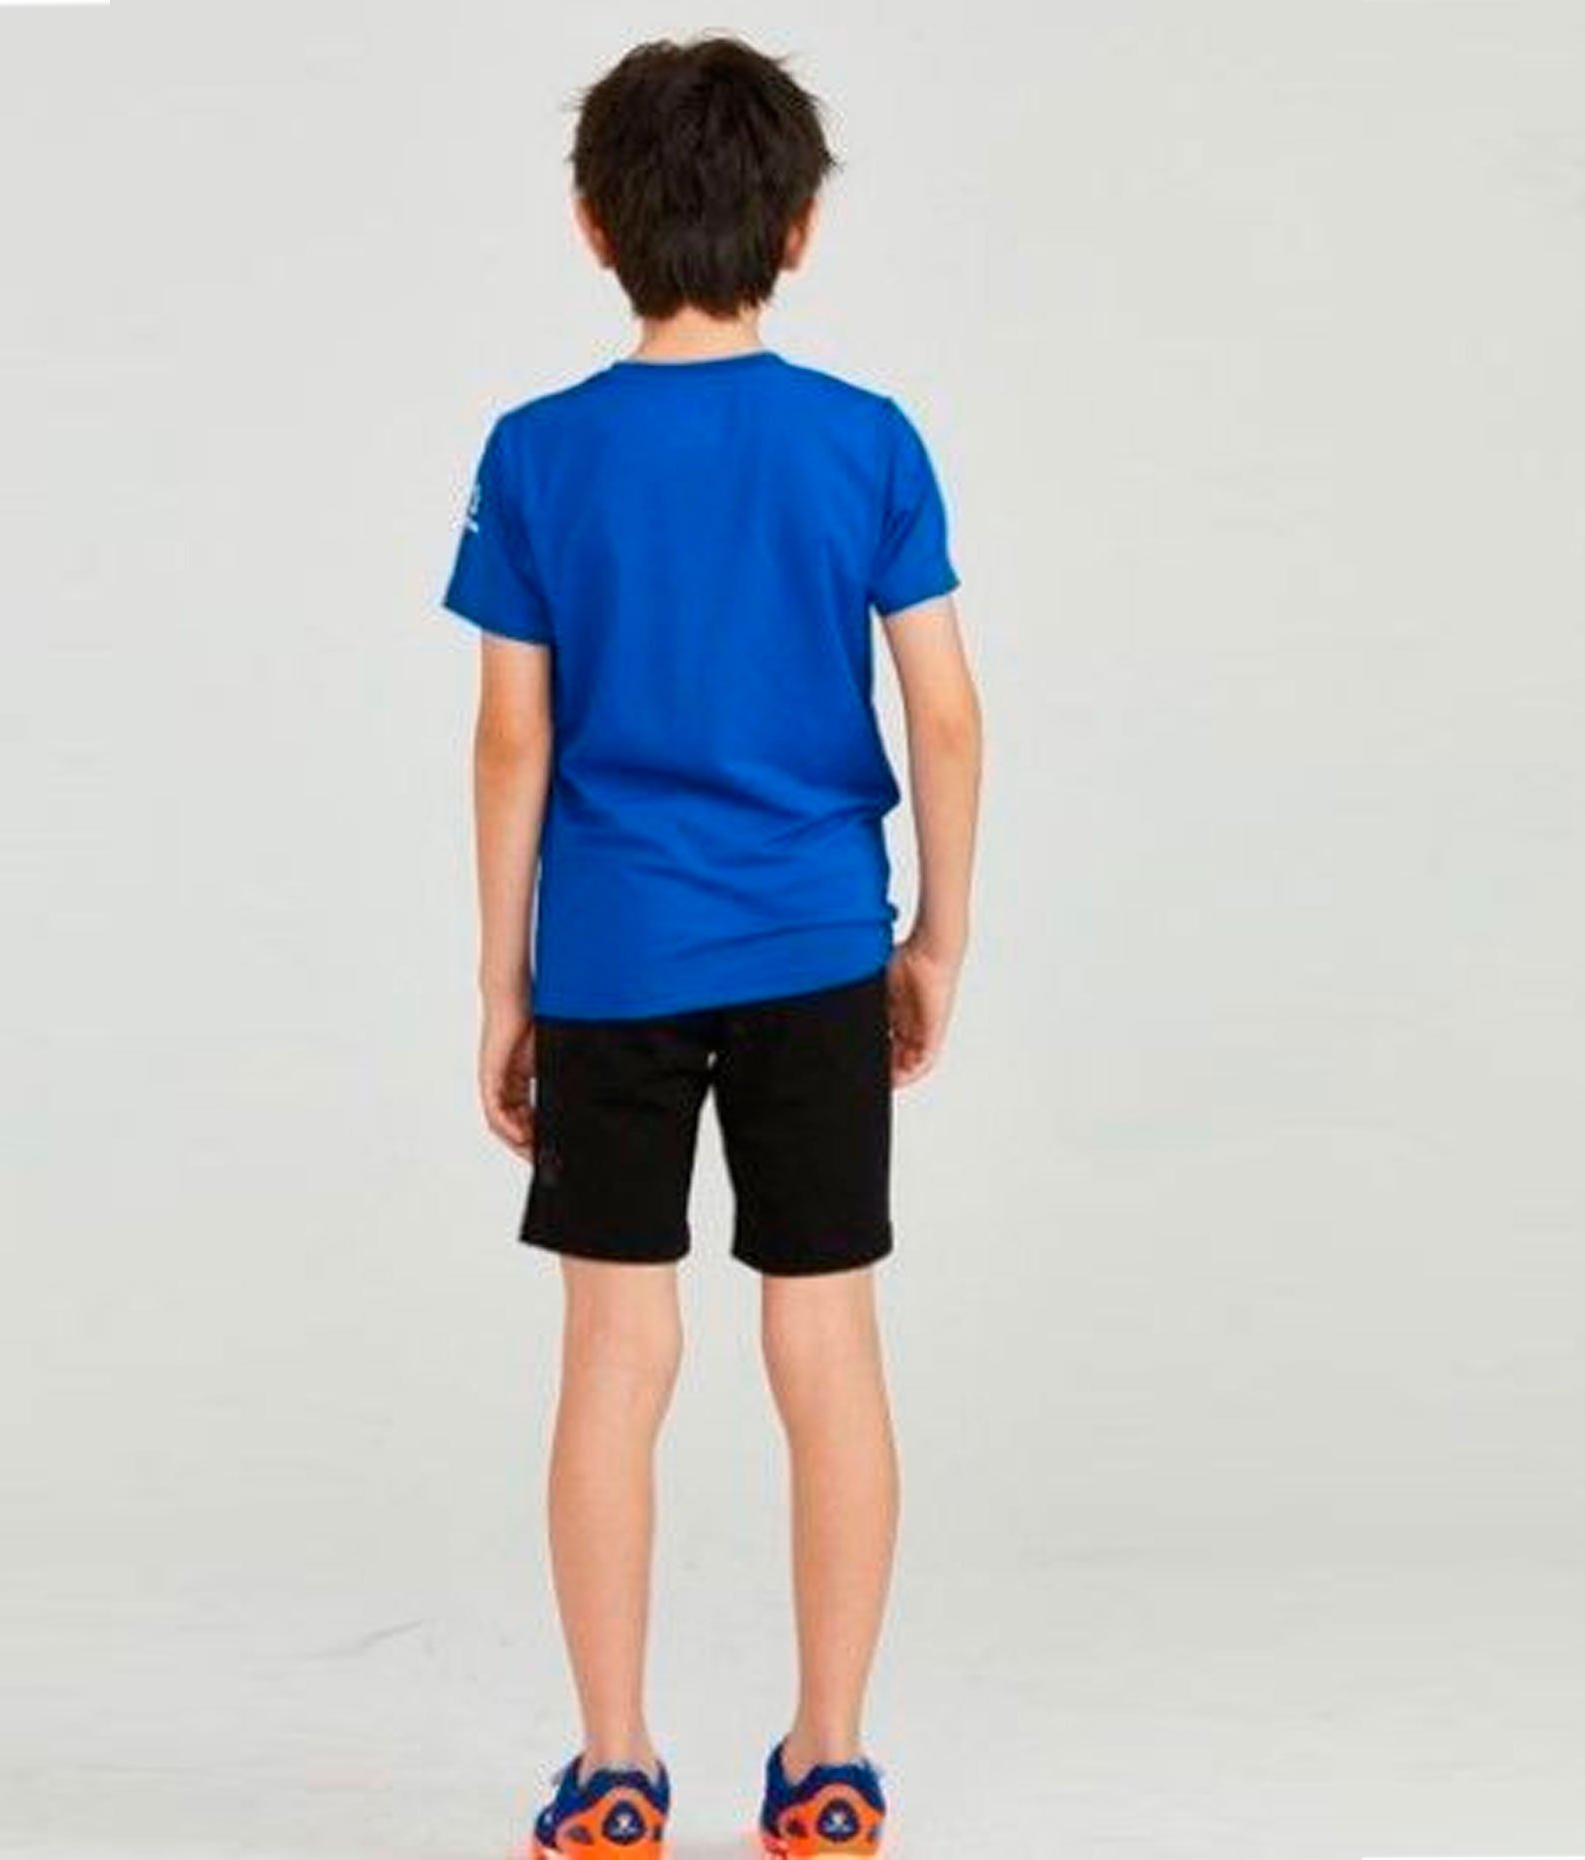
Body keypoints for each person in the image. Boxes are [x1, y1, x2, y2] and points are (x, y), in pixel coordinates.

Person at [439, 33, 982, 1860]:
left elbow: (511, 738)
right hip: (819, 944)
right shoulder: (867, 441)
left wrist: (504, 983)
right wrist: (935, 939)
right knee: (827, 1345)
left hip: (612, 957)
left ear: (594, 226)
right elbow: (946, 714)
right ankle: (830, 1765)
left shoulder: (537, 454)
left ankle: (613, 1769)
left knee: (616, 1353)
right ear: (800, 227)